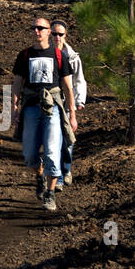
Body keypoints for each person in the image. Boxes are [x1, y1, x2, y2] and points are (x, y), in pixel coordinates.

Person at [10, 18, 78, 211]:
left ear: (48, 32)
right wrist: (14, 108)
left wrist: (72, 114)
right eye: (34, 28)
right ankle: (39, 175)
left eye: (41, 28)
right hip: (31, 106)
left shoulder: (59, 56)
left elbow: (67, 87)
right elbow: (16, 83)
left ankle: (50, 194)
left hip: (53, 108)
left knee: (51, 150)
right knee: (30, 155)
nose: (36, 31)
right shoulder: (24, 55)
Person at [52, 21, 85, 188]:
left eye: (60, 34)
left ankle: (66, 170)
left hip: (67, 104)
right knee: (53, 140)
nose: (57, 37)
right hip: (50, 102)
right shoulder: (44, 54)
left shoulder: (72, 57)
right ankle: (56, 178)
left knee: (68, 140)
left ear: (65, 36)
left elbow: (79, 80)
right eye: (54, 34)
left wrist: (79, 101)